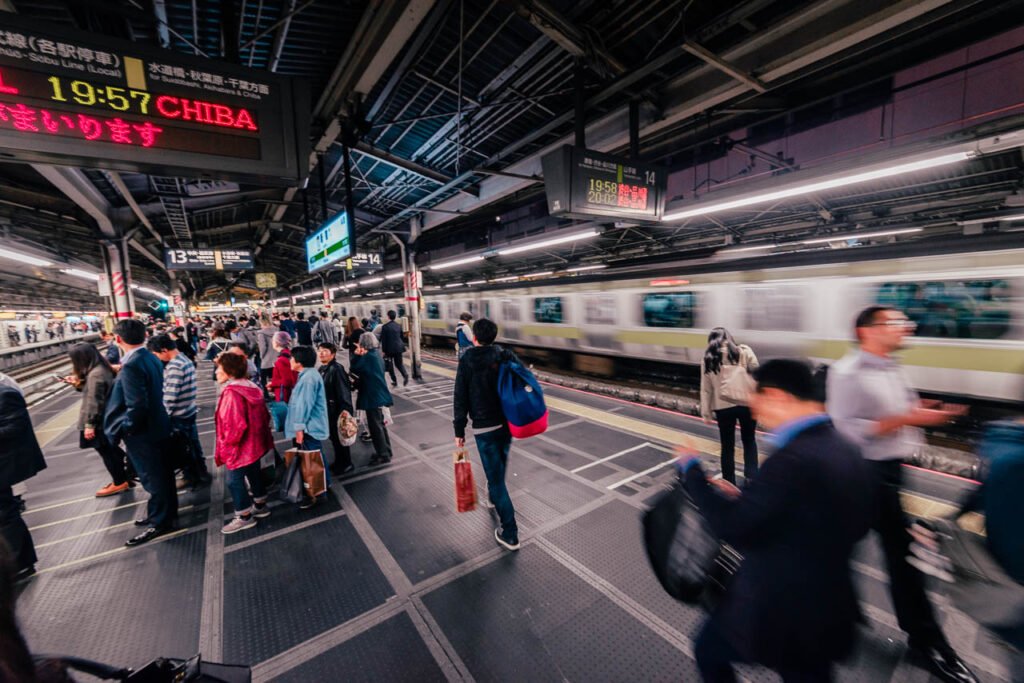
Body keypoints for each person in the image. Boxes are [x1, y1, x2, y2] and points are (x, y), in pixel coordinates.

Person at [682, 359, 873, 683]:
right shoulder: (847, 448)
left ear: (778, 397)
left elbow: (732, 527)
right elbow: (855, 523)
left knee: (707, 650)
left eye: (757, 400)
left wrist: (692, 471)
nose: (754, 413)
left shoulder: (791, 460)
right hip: (828, 608)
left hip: (777, 610)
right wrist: (750, 500)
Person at [827, 305, 977, 683]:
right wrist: (906, 418)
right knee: (862, 553)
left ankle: (921, 638)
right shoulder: (845, 372)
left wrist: (918, 410)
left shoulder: (891, 366)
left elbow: (895, 410)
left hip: (890, 475)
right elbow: (847, 431)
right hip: (860, 474)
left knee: (894, 557)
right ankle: (923, 640)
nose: (904, 328)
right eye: (895, 323)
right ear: (868, 331)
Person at [103, 319, 177, 547]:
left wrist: (127, 428)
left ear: (118, 339)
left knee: (153, 478)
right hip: (159, 424)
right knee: (163, 474)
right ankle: (163, 513)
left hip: (144, 433)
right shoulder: (149, 358)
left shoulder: (132, 365)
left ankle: (160, 521)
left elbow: (137, 405)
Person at [453, 318, 520, 551]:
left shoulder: (468, 360)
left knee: (497, 480)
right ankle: (492, 496)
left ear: (475, 337)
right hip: (507, 424)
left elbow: (460, 397)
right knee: (498, 468)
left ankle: (510, 533)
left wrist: (458, 430)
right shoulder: (504, 355)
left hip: (484, 427)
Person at [213, 352, 274, 534]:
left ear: (229, 371)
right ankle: (260, 504)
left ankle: (244, 516)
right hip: (254, 441)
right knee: (253, 472)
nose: (216, 372)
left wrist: (227, 445)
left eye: (219, 368)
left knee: (234, 480)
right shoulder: (252, 387)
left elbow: (233, 425)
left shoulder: (232, 393)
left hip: (239, 445)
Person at [65, 343, 133, 497]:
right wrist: (76, 382)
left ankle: (119, 482)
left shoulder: (95, 374)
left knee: (107, 452)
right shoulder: (103, 368)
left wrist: (90, 425)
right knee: (110, 449)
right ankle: (124, 476)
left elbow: (94, 400)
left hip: (98, 421)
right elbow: (95, 391)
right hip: (105, 417)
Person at [700, 327, 760, 485]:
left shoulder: (709, 358)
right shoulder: (744, 351)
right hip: (747, 403)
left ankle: (729, 483)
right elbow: (757, 376)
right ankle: (751, 478)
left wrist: (706, 412)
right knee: (749, 440)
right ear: (730, 337)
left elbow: (706, 389)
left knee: (727, 446)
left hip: (723, 407)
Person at [148, 334, 207, 489]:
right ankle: (202, 472)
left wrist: (163, 416)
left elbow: (170, 397)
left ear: (164, 350)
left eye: (156, 354)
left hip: (179, 414)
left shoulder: (174, 366)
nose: (157, 358)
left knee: (184, 448)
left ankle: (191, 476)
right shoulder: (185, 360)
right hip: (189, 409)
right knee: (193, 444)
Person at [0, 379, 46, 580]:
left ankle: (21, 564)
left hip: (6, 464)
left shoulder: (6, 394)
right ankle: (21, 562)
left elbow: (16, 428)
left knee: (6, 515)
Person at [284, 346, 331, 509]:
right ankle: (324, 486)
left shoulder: (307, 379)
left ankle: (318, 493)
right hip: (311, 426)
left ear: (299, 361)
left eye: (292, 358)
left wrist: (299, 429)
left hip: (309, 427)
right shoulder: (309, 375)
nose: (290, 361)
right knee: (316, 456)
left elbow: (304, 406)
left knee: (311, 459)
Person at [351, 333, 394, 466]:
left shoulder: (368, 357)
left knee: (375, 426)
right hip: (378, 393)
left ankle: (383, 455)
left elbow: (354, 368)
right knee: (380, 424)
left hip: (372, 395)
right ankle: (386, 450)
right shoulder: (376, 354)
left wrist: (357, 354)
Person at [318, 342, 354, 476]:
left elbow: (344, 391)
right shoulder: (323, 368)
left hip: (337, 411)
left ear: (333, 354)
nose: (321, 353)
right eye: (320, 351)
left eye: (325, 351)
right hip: (329, 410)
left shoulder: (336, 369)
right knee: (334, 438)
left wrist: (345, 411)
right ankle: (339, 461)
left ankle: (347, 463)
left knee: (341, 438)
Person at [380, 310, 409, 388]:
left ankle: (394, 381)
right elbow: (401, 337)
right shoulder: (398, 326)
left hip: (389, 349)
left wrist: (383, 350)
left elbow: (384, 340)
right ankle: (405, 375)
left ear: (388, 316)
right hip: (399, 348)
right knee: (399, 364)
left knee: (390, 366)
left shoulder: (385, 327)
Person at [267, 331, 298, 405]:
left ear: (277, 343)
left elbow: (286, 380)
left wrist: (273, 384)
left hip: (284, 394)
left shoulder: (281, 359)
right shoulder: (289, 355)